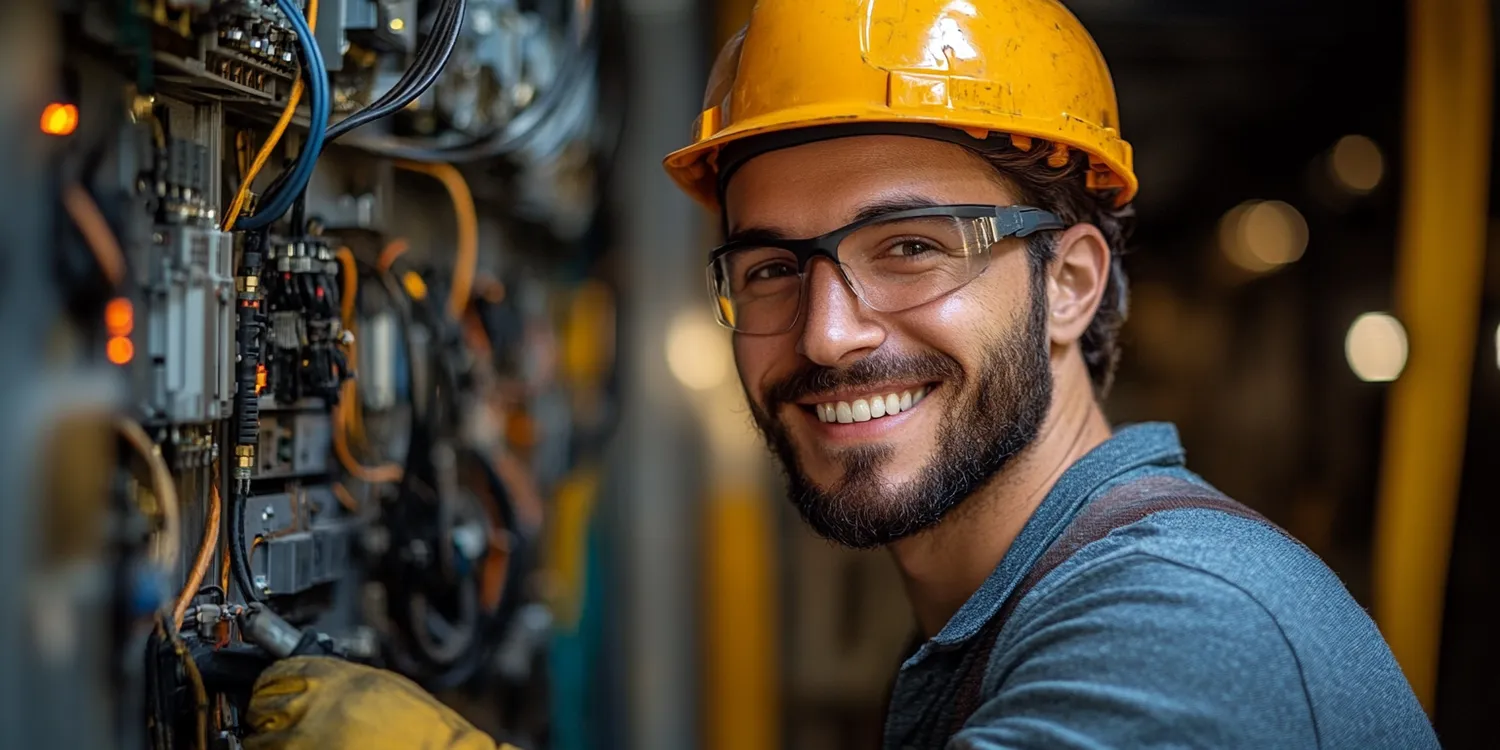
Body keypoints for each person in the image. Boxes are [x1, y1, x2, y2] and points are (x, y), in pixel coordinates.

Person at [244, 1, 1439, 748]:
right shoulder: (1019, 616)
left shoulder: (1180, 633)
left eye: (909, 248)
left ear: (1071, 283)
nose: (826, 334)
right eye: (773, 268)